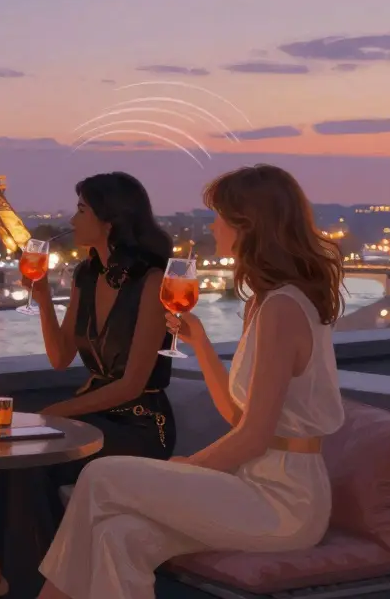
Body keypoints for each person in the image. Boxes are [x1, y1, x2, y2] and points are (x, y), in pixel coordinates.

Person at [37, 164, 347, 599]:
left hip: (284, 501)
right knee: (118, 535)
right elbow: (239, 417)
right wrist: (199, 341)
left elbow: (254, 437)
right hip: (250, 485)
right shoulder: (262, 303)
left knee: (100, 476)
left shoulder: (282, 309)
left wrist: (189, 466)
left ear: (247, 225)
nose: (213, 226)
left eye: (219, 217)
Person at [0, 172, 178, 599]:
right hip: (95, 417)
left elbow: (131, 385)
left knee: (27, 465)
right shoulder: (86, 275)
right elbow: (61, 356)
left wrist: (53, 414)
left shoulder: (153, 282)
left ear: (110, 221)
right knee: (16, 462)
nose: (73, 217)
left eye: (82, 209)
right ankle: (26, 583)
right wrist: (43, 294)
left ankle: (1, 581)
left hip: (140, 426)